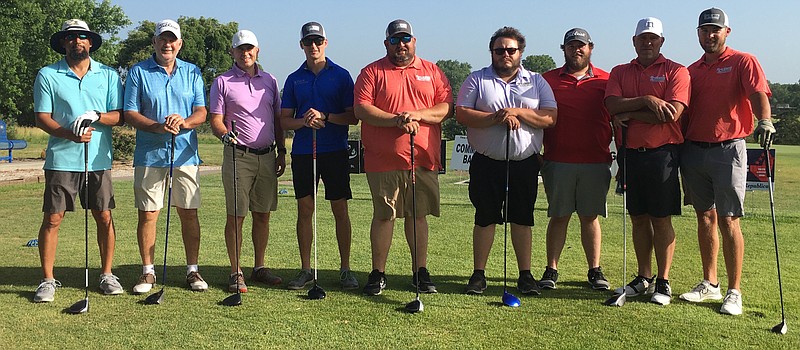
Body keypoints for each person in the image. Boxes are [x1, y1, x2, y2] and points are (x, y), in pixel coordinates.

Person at [679, 8, 774, 316]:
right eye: (705, 29)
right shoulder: (691, 70)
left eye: (716, 29)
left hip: (728, 149)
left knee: (729, 218)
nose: (711, 34)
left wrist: (765, 120)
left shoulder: (742, 61)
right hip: (694, 149)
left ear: (726, 32)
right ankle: (710, 283)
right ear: (698, 33)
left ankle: (734, 291)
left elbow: (758, 92)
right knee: (704, 217)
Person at [354, 19, 452, 296]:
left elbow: (446, 108)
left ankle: (419, 271)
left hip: (423, 158)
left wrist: (417, 115)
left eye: (405, 39)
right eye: (395, 40)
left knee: (418, 216)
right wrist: (398, 120)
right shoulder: (372, 72)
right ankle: (378, 273)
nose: (401, 45)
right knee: (384, 216)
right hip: (383, 159)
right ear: (387, 43)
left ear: (414, 41)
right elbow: (362, 109)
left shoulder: (432, 71)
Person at [456, 27, 557, 295]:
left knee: (522, 218)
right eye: (499, 50)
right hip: (487, 162)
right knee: (485, 217)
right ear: (492, 52)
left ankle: (525, 275)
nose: (505, 55)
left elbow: (549, 117)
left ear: (520, 52)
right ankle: (479, 274)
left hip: (524, 162)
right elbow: (463, 114)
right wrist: (495, 117)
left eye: (510, 50)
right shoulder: (477, 79)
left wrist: (518, 112)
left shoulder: (536, 81)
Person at [32, 19, 124, 302]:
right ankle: (47, 280)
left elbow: (119, 115)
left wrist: (97, 115)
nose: (77, 41)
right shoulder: (48, 75)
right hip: (62, 159)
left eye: (82, 37)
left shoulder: (108, 74)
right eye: (71, 37)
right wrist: (69, 134)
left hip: (98, 159)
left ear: (90, 42)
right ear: (63, 43)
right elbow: (42, 118)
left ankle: (106, 274)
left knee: (104, 215)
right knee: (53, 218)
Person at [604, 17, 689, 306]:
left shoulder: (676, 71)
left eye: (653, 38)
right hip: (630, 154)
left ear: (661, 41)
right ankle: (643, 276)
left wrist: (632, 112)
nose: (648, 43)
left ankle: (663, 282)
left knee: (660, 218)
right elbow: (612, 105)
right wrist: (648, 99)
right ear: (634, 41)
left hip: (662, 154)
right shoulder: (620, 71)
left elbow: (671, 114)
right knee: (638, 217)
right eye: (643, 38)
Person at [124, 19, 209, 293]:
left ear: (180, 44)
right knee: (149, 213)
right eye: (163, 39)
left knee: (188, 213)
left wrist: (183, 122)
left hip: (185, 154)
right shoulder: (138, 72)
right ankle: (147, 272)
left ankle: (192, 271)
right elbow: (130, 113)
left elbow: (201, 112)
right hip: (150, 154)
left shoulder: (193, 72)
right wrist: (159, 126)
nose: (167, 44)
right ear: (154, 42)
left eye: (172, 39)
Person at [280, 22, 359, 290]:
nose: (313, 46)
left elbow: (353, 117)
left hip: (334, 151)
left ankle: (345, 269)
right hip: (304, 152)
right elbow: (285, 121)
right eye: (308, 42)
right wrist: (305, 120)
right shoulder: (294, 79)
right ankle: (305, 269)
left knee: (340, 209)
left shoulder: (341, 75)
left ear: (326, 42)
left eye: (318, 41)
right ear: (301, 45)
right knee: (305, 210)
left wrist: (325, 116)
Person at [208, 30, 286, 293]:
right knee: (237, 215)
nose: (245, 53)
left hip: (267, 155)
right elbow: (216, 119)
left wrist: (282, 151)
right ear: (232, 52)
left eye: (249, 48)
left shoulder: (271, 80)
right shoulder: (222, 81)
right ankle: (236, 270)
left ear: (257, 50)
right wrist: (223, 134)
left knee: (262, 214)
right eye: (240, 49)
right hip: (237, 155)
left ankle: (259, 267)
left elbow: (276, 119)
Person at [540, 28, 612, 291]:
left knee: (589, 216)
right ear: (564, 49)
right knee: (559, 215)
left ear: (590, 48)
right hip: (558, 159)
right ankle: (551, 269)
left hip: (596, 160)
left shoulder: (607, 80)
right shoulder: (547, 80)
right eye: (571, 46)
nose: (576, 50)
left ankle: (594, 270)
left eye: (581, 45)